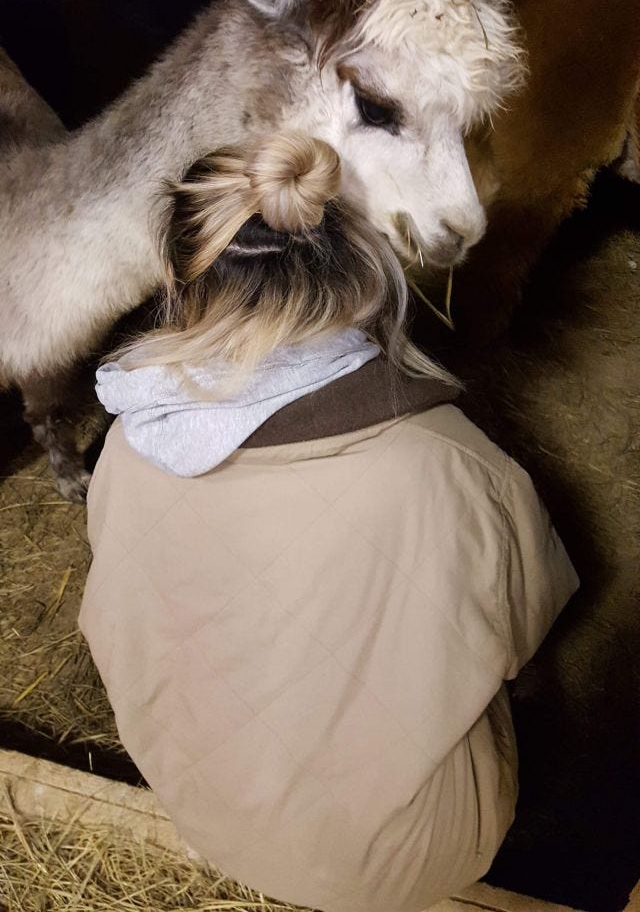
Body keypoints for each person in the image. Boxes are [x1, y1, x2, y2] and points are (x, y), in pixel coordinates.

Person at [79, 132, 578, 912]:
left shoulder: (128, 440)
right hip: (395, 868)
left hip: (201, 803)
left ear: (181, 279)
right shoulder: (455, 467)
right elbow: (525, 634)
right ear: (363, 272)